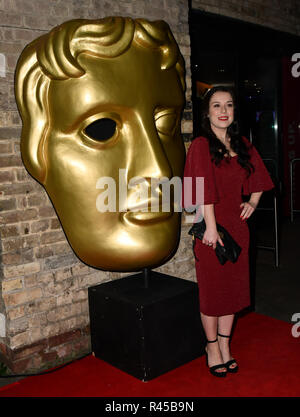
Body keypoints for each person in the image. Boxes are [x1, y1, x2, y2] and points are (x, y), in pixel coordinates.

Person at [183, 85, 274, 377]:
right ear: (207, 113)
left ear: (234, 111)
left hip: (237, 228)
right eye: (217, 106)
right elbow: (201, 189)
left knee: (232, 292)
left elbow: (260, 177)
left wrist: (252, 202)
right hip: (212, 229)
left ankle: (225, 345)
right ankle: (211, 347)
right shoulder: (200, 144)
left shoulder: (242, 144)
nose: (223, 111)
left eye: (229, 105)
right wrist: (210, 227)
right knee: (213, 292)